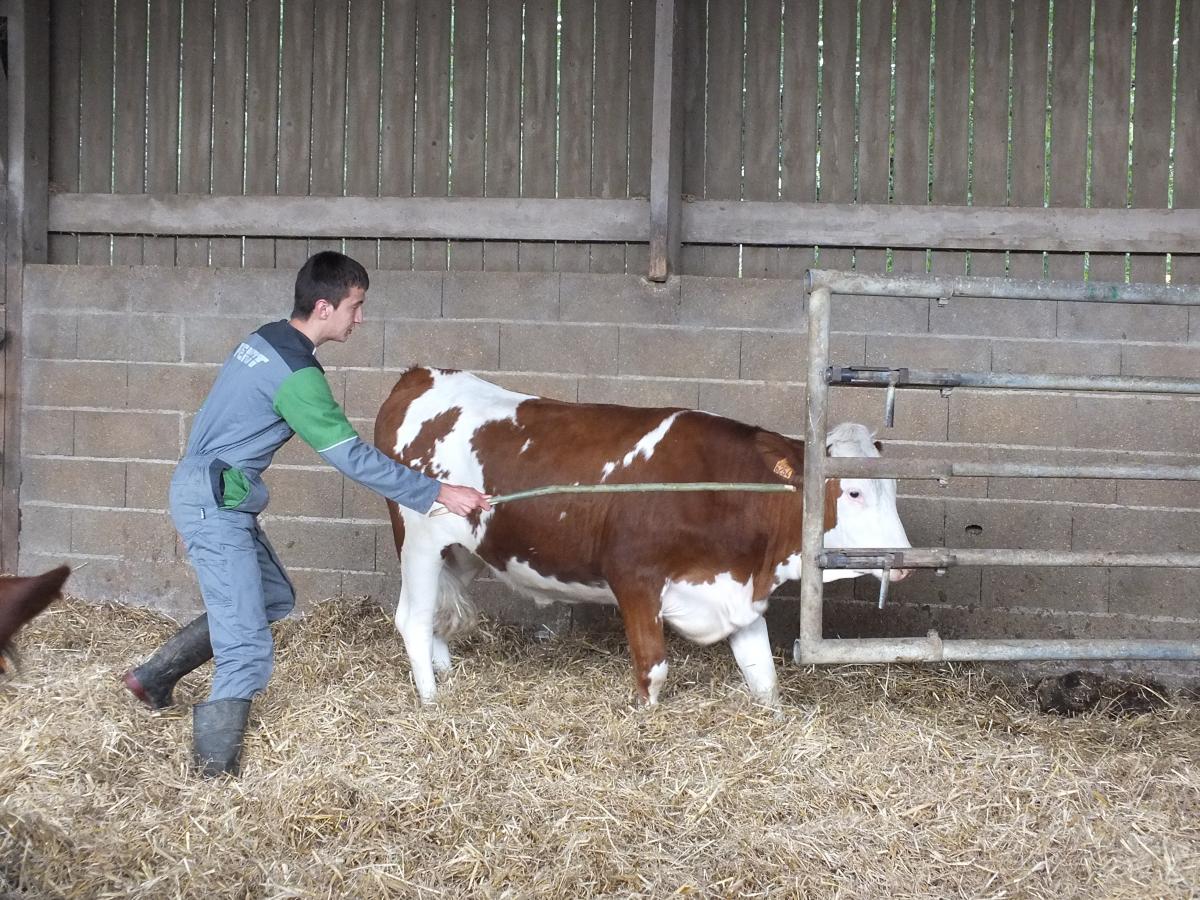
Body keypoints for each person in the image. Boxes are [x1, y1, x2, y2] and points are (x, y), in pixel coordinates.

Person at [123, 251, 490, 778]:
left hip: (211, 489)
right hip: (214, 499)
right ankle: (212, 777)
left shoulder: (265, 338)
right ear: (324, 306)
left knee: (272, 597)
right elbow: (352, 457)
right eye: (355, 306)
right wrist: (438, 492)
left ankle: (152, 678)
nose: (359, 318)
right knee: (247, 647)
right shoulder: (298, 374)